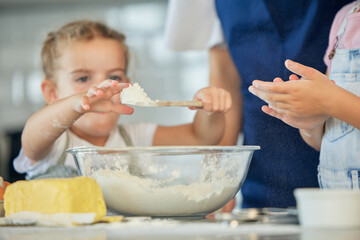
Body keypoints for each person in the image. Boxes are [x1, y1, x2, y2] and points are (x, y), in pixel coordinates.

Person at [164, 0, 353, 208]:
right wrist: (218, 176)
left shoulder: (349, 17)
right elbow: (224, 74)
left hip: (339, 178)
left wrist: (328, 103)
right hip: (262, 165)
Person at [14, 20, 232, 180]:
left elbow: (201, 136)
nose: (103, 88)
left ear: (126, 86)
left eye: (113, 77)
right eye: (82, 78)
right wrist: (75, 104)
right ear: (52, 93)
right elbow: (32, 137)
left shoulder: (136, 138)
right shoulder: (56, 144)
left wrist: (209, 109)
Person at [249, 1, 360, 189]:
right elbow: (324, 140)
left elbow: (333, 102)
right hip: (337, 207)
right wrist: (310, 123)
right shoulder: (343, 19)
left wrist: (330, 101)